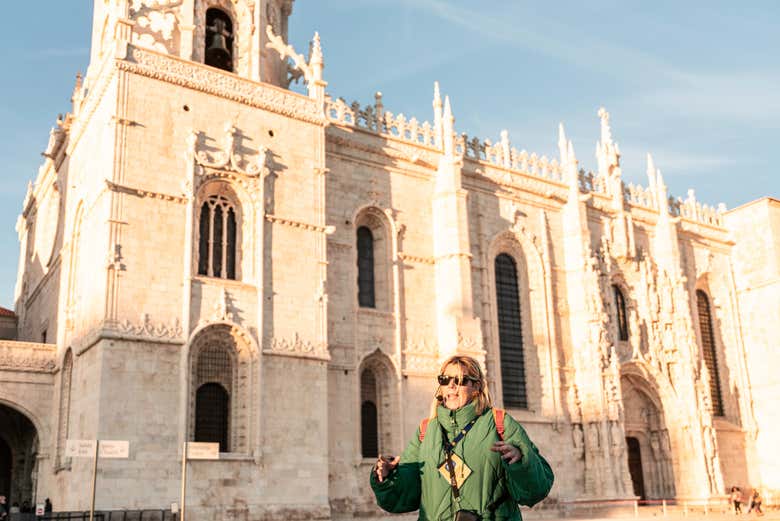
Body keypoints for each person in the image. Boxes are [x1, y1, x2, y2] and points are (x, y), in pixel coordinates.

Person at [371, 355, 554, 520]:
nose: (451, 385)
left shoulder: (499, 422)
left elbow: (536, 489)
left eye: (460, 380)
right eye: (445, 379)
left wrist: (520, 461)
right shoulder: (426, 430)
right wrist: (386, 477)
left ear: (476, 387)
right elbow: (404, 496)